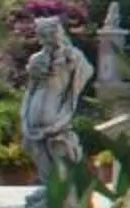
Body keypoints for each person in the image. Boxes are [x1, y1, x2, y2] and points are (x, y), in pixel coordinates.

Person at [17, 13, 95, 173]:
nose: (45, 39)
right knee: (40, 156)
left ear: (57, 34)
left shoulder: (71, 56)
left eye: (48, 34)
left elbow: (87, 71)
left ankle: (64, 184)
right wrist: (24, 115)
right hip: (34, 114)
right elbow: (30, 90)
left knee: (61, 155)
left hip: (56, 112)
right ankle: (49, 183)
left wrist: (70, 65)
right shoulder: (37, 59)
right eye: (42, 35)